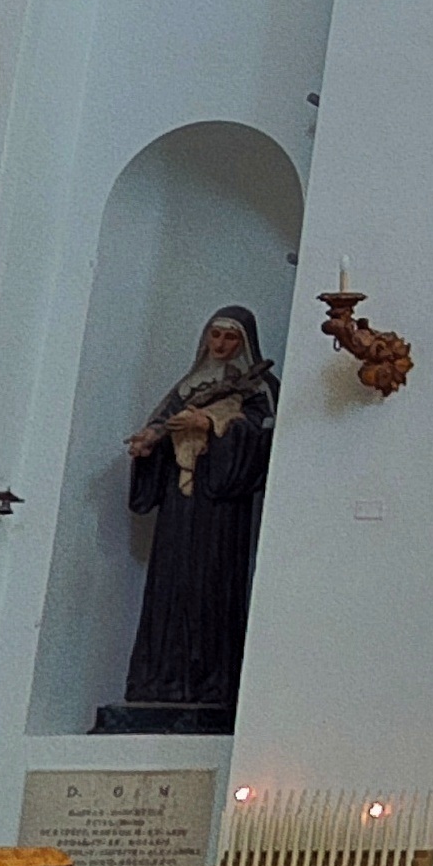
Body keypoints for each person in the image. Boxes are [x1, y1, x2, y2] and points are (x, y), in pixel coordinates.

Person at [116, 305, 279, 717]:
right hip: (180, 506)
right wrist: (147, 448)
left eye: (230, 338)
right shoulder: (190, 385)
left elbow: (263, 441)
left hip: (220, 508)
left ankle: (208, 682)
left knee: (210, 585)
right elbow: (163, 424)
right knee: (169, 586)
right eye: (215, 335)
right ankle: (160, 679)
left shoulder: (257, 387)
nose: (221, 345)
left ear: (244, 343)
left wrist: (211, 428)